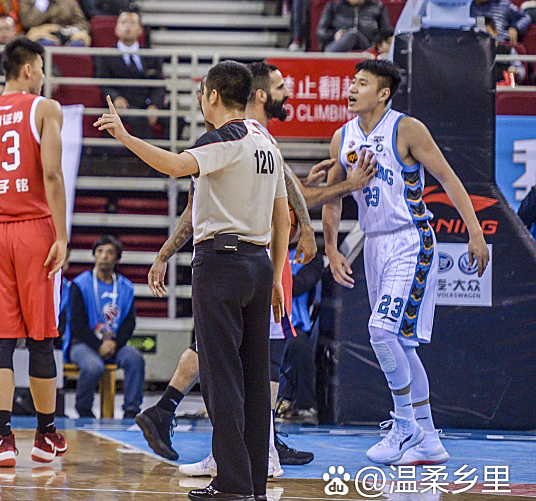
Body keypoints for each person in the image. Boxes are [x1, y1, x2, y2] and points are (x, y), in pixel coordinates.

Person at [134, 64, 377, 464]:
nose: (286, 94)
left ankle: (222, 434)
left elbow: (283, 196)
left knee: (227, 353)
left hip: (239, 259)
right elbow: (287, 199)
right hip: (248, 256)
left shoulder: (240, 139)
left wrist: (306, 222)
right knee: (254, 357)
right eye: (280, 87)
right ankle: (253, 447)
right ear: (261, 95)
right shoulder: (249, 137)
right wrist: (337, 196)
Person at [96, 61, 289, 501]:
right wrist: (277, 276)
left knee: (222, 377)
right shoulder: (266, 141)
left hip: (221, 264)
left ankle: (232, 482)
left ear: (213, 96)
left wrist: (125, 136)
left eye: (202, 94)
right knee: (254, 378)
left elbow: (174, 166)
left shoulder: (221, 138)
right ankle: (254, 483)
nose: (201, 100)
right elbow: (283, 219)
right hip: (259, 264)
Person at [323, 59, 489, 466]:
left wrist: (475, 231)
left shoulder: (406, 129)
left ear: (383, 93)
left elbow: (448, 178)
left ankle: (404, 425)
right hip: (374, 244)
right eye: (352, 82)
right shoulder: (342, 137)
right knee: (399, 342)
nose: (352, 88)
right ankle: (429, 440)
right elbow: (333, 197)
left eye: (362, 83)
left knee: (381, 331)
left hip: (411, 240)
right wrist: (331, 247)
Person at [0, 37, 69, 469]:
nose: (43, 75)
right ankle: (45, 434)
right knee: (41, 337)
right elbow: (53, 174)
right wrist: (61, 235)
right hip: (34, 229)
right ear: (27, 70)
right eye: (41, 67)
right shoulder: (44, 108)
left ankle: (3, 438)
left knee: (0, 342)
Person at [65, 236, 144, 418]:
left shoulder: (126, 287)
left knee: (135, 359)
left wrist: (114, 343)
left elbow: (129, 323)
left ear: (117, 258)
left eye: (110, 252)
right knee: (94, 367)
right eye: (100, 252)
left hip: (114, 343)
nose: (104, 256)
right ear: (94, 256)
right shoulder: (80, 284)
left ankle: (131, 410)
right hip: (83, 343)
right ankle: (83, 407)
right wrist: (98, 345)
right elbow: (77, 323)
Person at [94, 11, 165, 137]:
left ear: (140, 30)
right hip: (124, 106)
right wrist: (116, 98)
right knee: (139, 120)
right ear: (116, 29)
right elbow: (103, 83)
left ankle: (167, 150)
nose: (127, 26)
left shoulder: (152, 56)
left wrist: (155, 105)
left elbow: (159, 84)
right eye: (123, 23)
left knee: (177, 120)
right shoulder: (105, 56)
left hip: (147, 104)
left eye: (132, 23)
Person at [316, 0, 393, 52]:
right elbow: (321, 33)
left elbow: (386, 32)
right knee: (352, 35)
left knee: (354, 34)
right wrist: (334, 34)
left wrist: (378, 42)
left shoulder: (378, 7)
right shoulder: (333, 6)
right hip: (336, 48)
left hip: (367, 49)